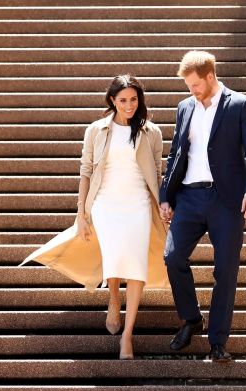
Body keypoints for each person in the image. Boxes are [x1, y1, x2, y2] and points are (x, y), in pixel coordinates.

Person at [22, 75, 169, 360]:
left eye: (134, 100)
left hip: (138, 203)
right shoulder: (96, 130)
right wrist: (81, 213)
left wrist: (163, 205)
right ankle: (113, 298)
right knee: (114, 258)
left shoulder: (152, 132)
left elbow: (158, 174)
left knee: (136, 265)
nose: (129, 105)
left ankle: (127, 335)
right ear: (112, 101)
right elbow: (86, 171)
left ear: (140, 101)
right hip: (105, 203)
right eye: (123, 100)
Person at [159, 51, 246, 363]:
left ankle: (218, 341)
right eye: (187, 85)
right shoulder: (184, 107)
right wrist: (166, 194)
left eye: (195, 84)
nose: (192, 90)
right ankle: (191, 319)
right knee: (172, 256)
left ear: (210, 76)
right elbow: (176, 153)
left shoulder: (240, 104)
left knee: (226, 270)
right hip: (189, 197)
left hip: (226, 198)